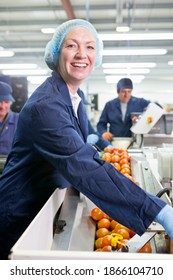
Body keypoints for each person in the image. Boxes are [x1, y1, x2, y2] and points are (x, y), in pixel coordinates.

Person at [0, 19, 172, 260]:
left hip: (42, 207)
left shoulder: (72, 95)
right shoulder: (45, 106)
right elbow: (85, 167)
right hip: (18, 217)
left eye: (90, 47)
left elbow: (84, 141)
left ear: (97, 55)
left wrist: (101, 146)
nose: (82, 54)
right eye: (72, 46)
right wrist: (159, 210)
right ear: (56, 51)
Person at [0, 81, 19, 155]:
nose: (2, 106)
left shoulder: (19, 120)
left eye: (6, 102)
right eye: (0, 101)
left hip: (11, 165)